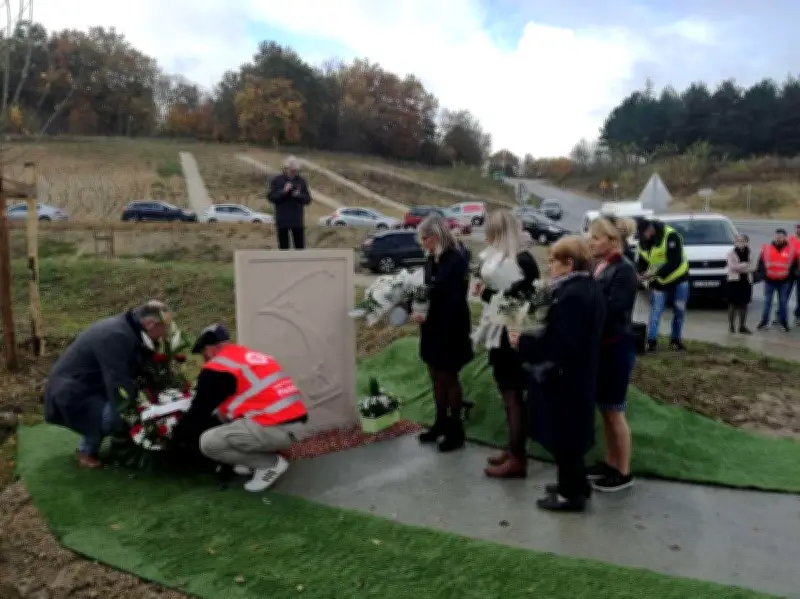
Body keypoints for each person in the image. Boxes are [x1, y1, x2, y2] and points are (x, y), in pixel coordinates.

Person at [510, 236, 604, 512]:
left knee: (565, 436)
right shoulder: (588, 286)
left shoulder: (572, 295)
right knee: (572, 434)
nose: (548, 265)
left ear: (569, 263)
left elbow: (561, 343)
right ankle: (577, 483)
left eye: (553, 260)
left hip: (567, 376)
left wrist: (523, 342)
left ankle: (570, 495)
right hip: (580, 372)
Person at [170, 324, 309, 492]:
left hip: (273, 429)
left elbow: (198, 411)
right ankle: (252, 461)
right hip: (295, 424)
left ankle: (269, 464)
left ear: (209, 349)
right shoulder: (249, 356)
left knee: (209, 442)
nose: (204, 359)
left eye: (203, 354)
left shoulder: (217, 368)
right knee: (223, 417)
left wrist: (175, 437)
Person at [44, 300, 172, 468]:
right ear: (149, 324)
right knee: (118, 415)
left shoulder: (129, 329)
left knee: (130, 405)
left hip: (90, 387)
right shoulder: (115, 336)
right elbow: (119, 382)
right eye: (164, 327)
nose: (165, 333)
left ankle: (92, 442)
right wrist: (137, 411)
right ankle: (87, 450)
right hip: (71, 394)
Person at [473, 210, 540, 478]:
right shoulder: (508, 259)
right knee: (509, 396)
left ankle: (518, 458)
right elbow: (501, 297)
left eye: (490, 232)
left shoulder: (522, 261)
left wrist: (490, 293)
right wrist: (487, 291)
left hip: (512, 337)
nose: (486, 237)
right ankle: (514, 450)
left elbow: (519, 302)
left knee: (513, 397)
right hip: (502, 332)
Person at [414, 214, 474, 452]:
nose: (423, 243)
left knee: (448, 377)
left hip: (450, 328)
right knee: (434, 374)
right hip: (432, 326)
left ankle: (456, 429)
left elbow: (449, 294)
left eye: (425, 238)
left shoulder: (454, 258)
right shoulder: (433, 258)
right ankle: (440, 422)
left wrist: (427, 294)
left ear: (436, 235)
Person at [587, 217, 638, 493]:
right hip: (602, 347)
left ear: (612, 240)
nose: (591, 242)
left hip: (616, 347)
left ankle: (623, 470)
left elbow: (615, 310)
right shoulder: (601, 266)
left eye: (595, 238)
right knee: (605, 410)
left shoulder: (624, 270)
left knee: (615, 411)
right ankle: (610, 462)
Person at [635, 218, 690, 351]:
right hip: (658, 281)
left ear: (651, 229)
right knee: (656, 311)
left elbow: (675, 261)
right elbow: (642, 260)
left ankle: (675, 340)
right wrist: (639, 272)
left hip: (678, 279)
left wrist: (653, 274)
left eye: (644, 234)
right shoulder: (642, 241)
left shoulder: (670, 236)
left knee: (679, 311)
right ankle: (652, 341)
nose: (643, 237)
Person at [268, 156, 312, 250]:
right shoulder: (277, 180)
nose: (294, 172)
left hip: (297, 220)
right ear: (286, 168)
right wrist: (284, 191)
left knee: (299, 247)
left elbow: (307, 199)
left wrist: (298, 195)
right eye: (292, 170)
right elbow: (271, 197)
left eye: (296, 170)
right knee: (283, 248)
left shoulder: (301, 181)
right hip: (282, 220)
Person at [756, 228, 796, 332]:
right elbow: (760, 263)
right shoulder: (767, 248)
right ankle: (764, 322)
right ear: (774, 236)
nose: (778, 238)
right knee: (767, 303)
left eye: (781, 236)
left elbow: (794, 265)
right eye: (777, 236)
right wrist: (763, 276)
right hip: (770, 281)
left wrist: (790, 275)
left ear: (785, 237)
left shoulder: (790, 250)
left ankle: (783, 323)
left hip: (784, 281)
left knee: (783, 303)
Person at [725, 234, 754, 334]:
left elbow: (753, 267)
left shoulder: (750, 253)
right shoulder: (731, 253)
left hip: (746, 281)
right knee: (732, 304)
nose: (740, 242)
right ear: (735, 242)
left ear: (746, 242)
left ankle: (742, 326)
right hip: (733, 281)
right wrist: (745, 265)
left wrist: (741, 267)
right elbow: (732, 267)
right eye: (738, 240)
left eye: (743, 240)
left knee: (743, 304)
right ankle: (731, 326)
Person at [791, 224, 800, 326]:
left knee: (799, 296)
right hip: (790, 272)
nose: (799, 230)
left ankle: (798, 315)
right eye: (798, 228)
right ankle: (780, 314)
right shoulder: (790, 239)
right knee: (785, 295)